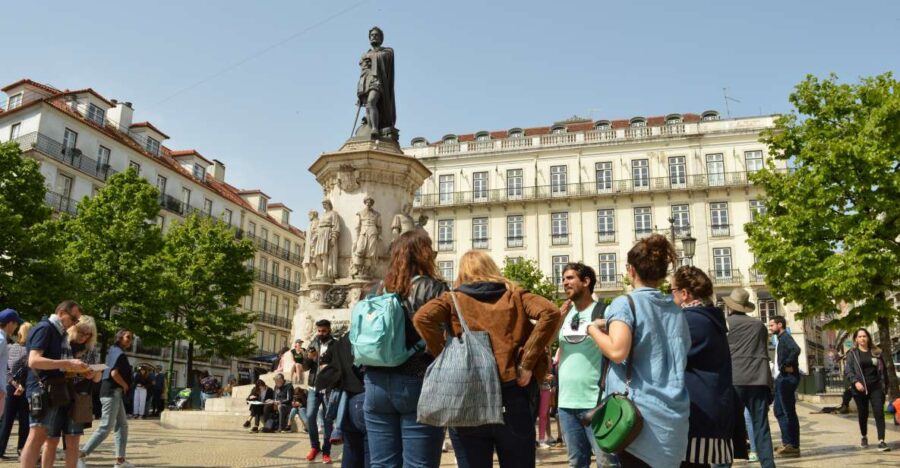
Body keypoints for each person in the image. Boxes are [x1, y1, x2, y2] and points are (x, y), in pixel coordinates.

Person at [414, 250, 561, 468]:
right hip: (512, 393)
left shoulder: (453, 299)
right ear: (492, 269)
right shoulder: (514, 295)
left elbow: (422, 318)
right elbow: (550, 312)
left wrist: (446, 356)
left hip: (468, 396)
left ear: (462, 273)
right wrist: (527, 363)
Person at [585, 234, 691, 468]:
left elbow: (617, 351)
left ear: (631, 270)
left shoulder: (625, 304)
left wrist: (593, 330)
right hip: (673, 417)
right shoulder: (675, 310)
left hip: (638, 419)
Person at [362, 229, 449, 468]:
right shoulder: (435, 289)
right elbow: (450, 336)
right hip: (417, 380)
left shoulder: (377, 289)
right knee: (419, 464)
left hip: (375, 381)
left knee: (381, 464)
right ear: (424, 255)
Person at [672, 266, 737, 467]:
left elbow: (669, 358)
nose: (669, 296)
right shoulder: (708, 317)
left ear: (684, 294)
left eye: (671, 291)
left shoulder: (691, 320)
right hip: (711, 407)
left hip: (699, 413)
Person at [556, 263, 618, 468]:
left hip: (597, 401)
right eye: (563, 278)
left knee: (607, 462)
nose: (564, 282)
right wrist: (557, 319)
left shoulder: (604, 312)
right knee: (576, 463)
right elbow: (546, 344)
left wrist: (601, 326)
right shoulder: (565, 314)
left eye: (570, 278)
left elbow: (619, 349)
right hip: (566, 403)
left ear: (586, 281)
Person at [20, 300, 90, 468]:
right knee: (36, 436)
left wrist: (73, 368)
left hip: (49, 389)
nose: (74, 324)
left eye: (76, 321)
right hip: (41, 389)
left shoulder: (56, 332)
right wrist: (66, 363)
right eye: (73, 319)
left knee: (40, 436)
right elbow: (34, 360)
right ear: (61, 313)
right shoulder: (46, 328)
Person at [723, 288, 775, 468]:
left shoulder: (726, 324)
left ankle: (722, 465)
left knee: (727, 427)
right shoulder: (759, 325)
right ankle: (768, 464)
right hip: (758, 379)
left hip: (734, 378)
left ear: (731, 306)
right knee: (761, 427)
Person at [79, 329, 135, 468]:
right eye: (128, 337)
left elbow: (107, 369)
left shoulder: (113, 351)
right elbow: (114, 373)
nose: (130, 340)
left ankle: (120, 461)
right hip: (112, 392)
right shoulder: (119, 353)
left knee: (122, 425)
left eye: (131, 338)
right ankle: (80, 455)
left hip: (113, 392)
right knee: (106, 427)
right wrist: (125, 385)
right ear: (120, 337)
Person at [319, 332, 368, 468]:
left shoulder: (344, 339)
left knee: (351, 451)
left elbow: (326, 367)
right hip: (366, 394)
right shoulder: (370, 335)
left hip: (346, 401)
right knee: (370, 453)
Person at [844, 328, 891, 451]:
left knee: (879, 413)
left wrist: (885, 387)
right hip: (860, 388)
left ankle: (881, 440)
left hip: (876, 387)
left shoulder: (876, 352)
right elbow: (848, 370)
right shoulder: (852, 353)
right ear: (856, 339)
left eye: (864, 336)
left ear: (868, 337)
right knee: (863, 414)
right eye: (859, 337)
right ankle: (864, 436)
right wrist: (856, 382)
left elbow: (883, 370)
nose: (862, 339)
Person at [768, 315, 800, 458]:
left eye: (772, 325)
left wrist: (785, 365)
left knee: (788, 411)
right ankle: (787, 443)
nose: (770, 328)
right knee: (779, 411)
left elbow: (796, 350)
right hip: (782, 378)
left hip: (787, 378)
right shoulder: (781, 339)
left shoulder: (785, 337)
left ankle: (793, 445)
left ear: (779, 325)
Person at [306, 319, 335, 463]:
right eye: (318, 331)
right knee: (310, 415)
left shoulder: (335, 344)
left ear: (329, 330)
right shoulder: (313, 343)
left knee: (328, 420)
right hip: (313, 387)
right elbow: (305, 366)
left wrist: (328, 366)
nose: (320, 333)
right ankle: (314, 446)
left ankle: (326, 451)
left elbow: (339, 365)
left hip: (328, 387)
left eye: (323, 331)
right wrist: (310, 358)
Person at [0, 320, 29, 460]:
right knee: (25, 422)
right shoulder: (31, 350)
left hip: (10, 387)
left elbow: (7, 370)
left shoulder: (10, 347)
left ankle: (1, 449)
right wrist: (20, 385)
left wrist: (13, 383)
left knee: (6, 421)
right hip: (24, 387)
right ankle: (22, 450)